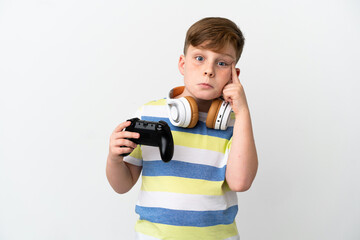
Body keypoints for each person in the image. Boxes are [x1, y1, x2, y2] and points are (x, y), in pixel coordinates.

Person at [106, 17, 258, 240]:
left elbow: (240, 182)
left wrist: (243, 112)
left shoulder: (236, 124)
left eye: (222, 63)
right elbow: (122, 185)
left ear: (235, 76)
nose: (209, 70)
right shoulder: (149, 115)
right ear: (182, 64)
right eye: (199, 58)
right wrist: (114, 159)